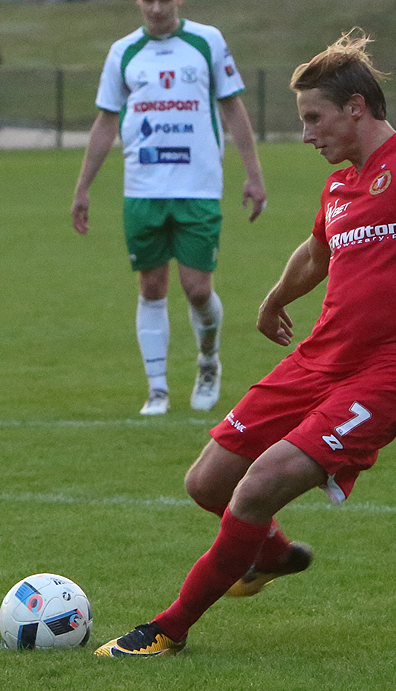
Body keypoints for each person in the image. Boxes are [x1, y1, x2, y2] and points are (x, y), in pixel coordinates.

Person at [94, 29, 396, 657]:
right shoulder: (339, 189)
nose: (306, 134)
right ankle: (270, 554)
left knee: (259, 486)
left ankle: (168, 629)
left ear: (355, 108)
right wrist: (274, 299)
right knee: (208, 483)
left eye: (313, 118)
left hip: (391, 370)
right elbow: (318, 251)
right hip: (319, 359)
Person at [71, 0, 267, 416]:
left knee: (197, 290)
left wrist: (253, 174)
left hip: (199, 187)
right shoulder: (123, 52)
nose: (157, 8)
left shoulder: (207, 41)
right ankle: (157, 389)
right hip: (143, 188)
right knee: (151, 286)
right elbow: (106, 121)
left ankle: (208, 361)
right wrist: (83, 187)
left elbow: (232, 107)